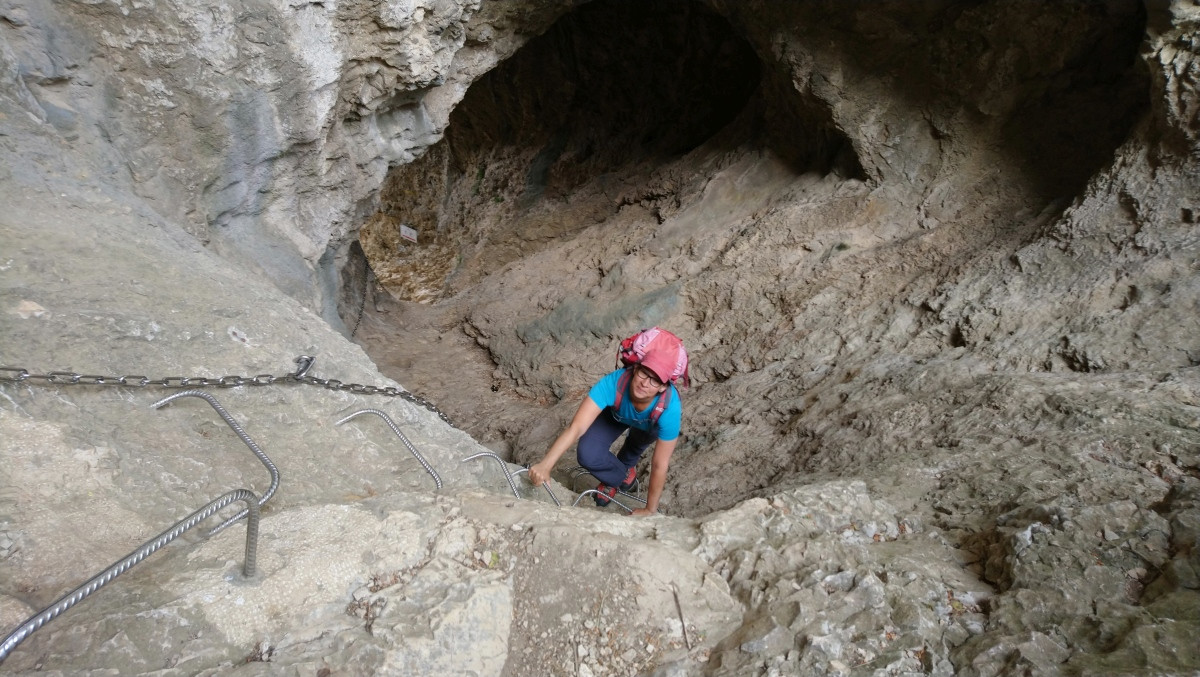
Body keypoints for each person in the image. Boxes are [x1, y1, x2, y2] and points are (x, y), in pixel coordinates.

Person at [528, 328, 688, 516]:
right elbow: (576, 427)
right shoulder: (615, 383)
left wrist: (650, 509)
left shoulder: (670, 408)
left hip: (650, 423)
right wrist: (546, 465)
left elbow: (660, 464)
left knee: (634, 446)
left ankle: (624, 468)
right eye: (644, 373)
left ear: (663, 387)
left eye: (655, 380)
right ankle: (620, 477)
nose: (645, 383)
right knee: (588, 453)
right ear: (635, 369)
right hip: (617, 414)